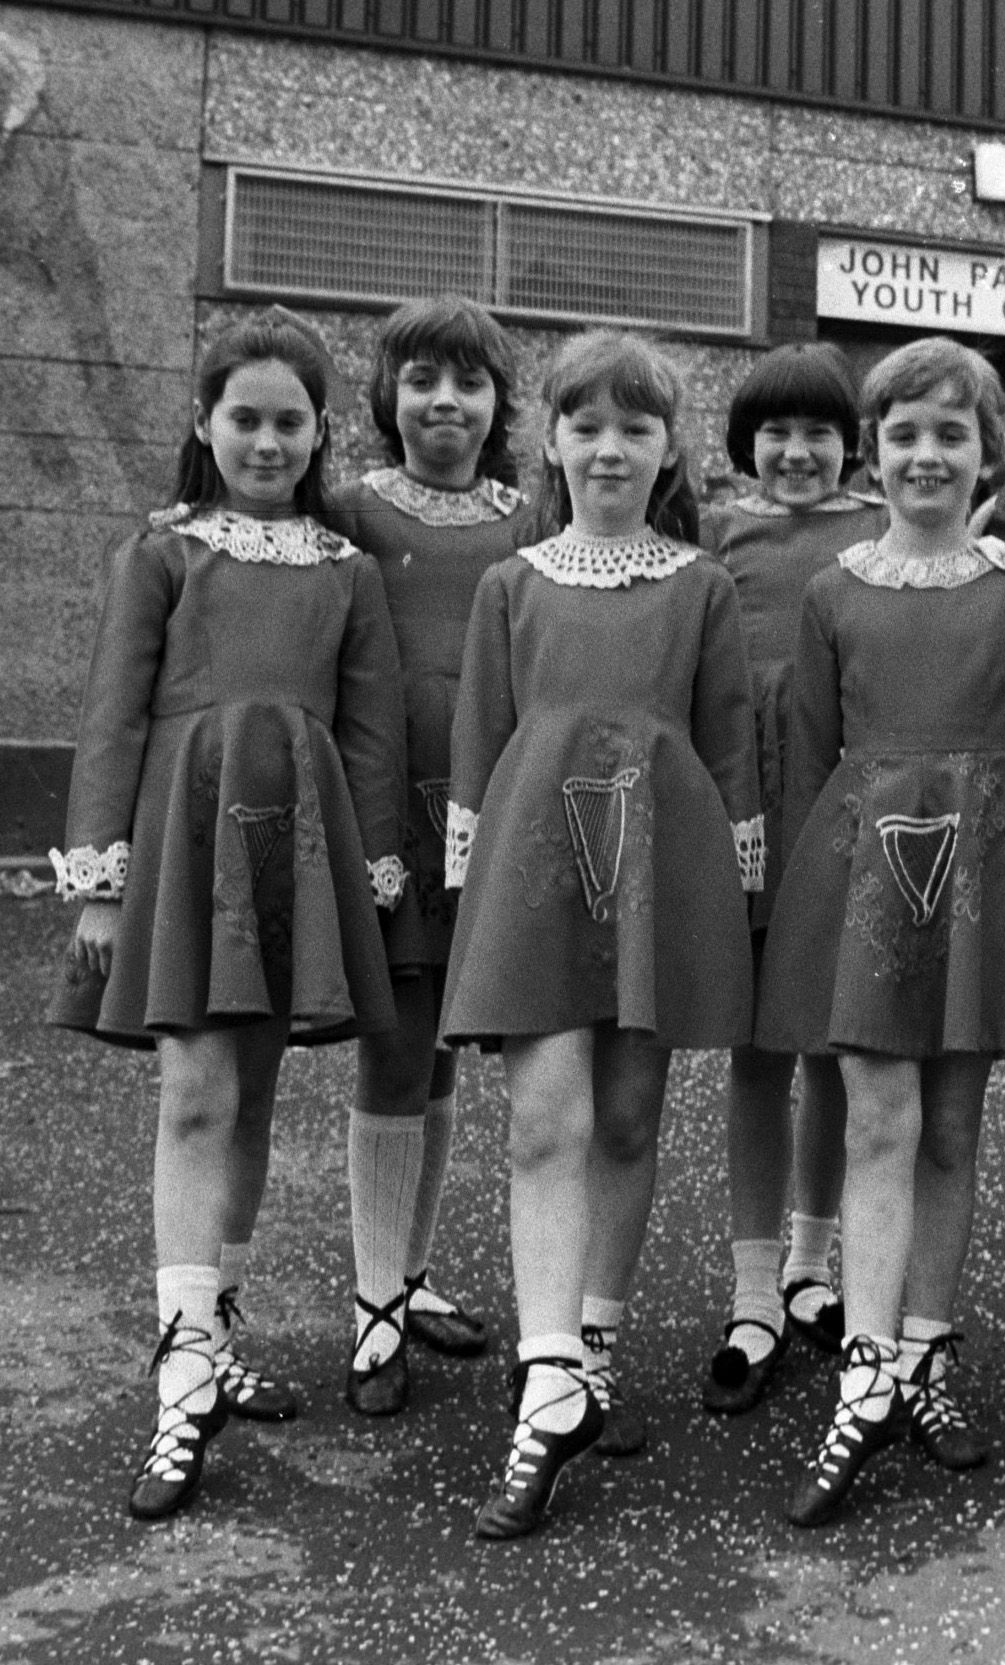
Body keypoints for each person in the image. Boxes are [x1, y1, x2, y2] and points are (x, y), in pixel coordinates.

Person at [49, 307, 407, 1519]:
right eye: (243, 417)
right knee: (196, 1090)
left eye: (289, 422)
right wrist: (99, 884)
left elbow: (370, 732)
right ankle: (184, 1363)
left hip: (294, 850)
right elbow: (111, 717)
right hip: (182, 841)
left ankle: (220, 1323)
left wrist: (368, 880)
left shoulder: (346, 571)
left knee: (252, 1092)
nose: (266, 439)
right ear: (205, 424)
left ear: (319, 436)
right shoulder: (163, 554)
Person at [755, 337, 1005, 1527]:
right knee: (879, 1110)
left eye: (952, 435)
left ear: (989, 453)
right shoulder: (834, 590)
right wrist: (796, 903)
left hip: (985, 864)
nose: (926, 455)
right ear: (872, 452)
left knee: (952, 1121)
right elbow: (807, 755)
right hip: (863, 867)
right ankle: (868, 1371)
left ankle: (927, 1357)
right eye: (904, 435)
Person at [441, 331, 763, 1538]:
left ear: (666, 446)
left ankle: (597, 1346)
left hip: (661, 861)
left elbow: (730, 740)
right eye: (587, 425)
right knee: (543, 1119)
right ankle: (546, 1382)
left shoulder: (702, 585)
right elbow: (480, 731)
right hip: (531, 860)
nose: (610, 447)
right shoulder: (511, 584)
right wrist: (467, 872)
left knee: (629, 1114)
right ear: (553, 440)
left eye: (635, 427)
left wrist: (738, 876)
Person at [323, 295, 535, 1416]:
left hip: (489, 811)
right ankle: (372, 1308)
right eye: (420, 380)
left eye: (467, 382)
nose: (443, 402)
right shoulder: (350, 510)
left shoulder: (522, 520)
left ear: (498, 402)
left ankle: (409, 1274)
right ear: (386, 396)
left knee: (447, 1054)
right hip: (389, 818)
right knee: (396, 1055)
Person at [695, 344, 885, 1416]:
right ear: (744, 446)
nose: (799, 452)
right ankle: (754, 1287)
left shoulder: (872, 532)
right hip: (745, 816)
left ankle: (819, 1268)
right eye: (776, 433)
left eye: (820, 432)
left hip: (842, 809)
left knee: (834, 1053)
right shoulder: (718, 537)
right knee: (759, 1056)